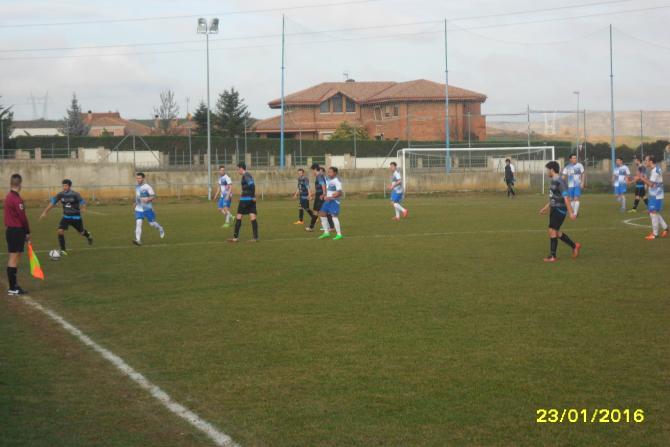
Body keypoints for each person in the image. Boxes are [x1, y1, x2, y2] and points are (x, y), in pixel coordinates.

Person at [539, 161, 580, 263]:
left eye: (547, 170)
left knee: (552, 231)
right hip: (554, 208)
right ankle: (574, 246)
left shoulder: (560, 181)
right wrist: (546, 207)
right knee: (556, 232)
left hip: (559, 209)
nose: (547, 172)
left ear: (552, 170)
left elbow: (566, 197)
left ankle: (553, 256)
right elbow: (554, 197)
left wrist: (571, 212)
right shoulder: (553, 180)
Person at [39, 179, 93, 255]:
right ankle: (63, 250)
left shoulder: (75, 194)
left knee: (81, 232)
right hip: (66, 217)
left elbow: (82, 202)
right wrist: (45, 212)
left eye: (66, 185)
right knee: (60, 231)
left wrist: (83, 208)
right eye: (63, 185)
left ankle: (88, 235)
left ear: (69, 186)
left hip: (76, 217)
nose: (64, 187)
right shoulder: (60, 194)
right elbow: (52, 203)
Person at [4, 174, 30, 295]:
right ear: (20, 184)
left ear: (11, 183)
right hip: (17, 230)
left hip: (10, 230)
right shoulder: (17, 199)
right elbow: (22, 217)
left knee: (14, 257)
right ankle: (13, 287)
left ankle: (13, 286)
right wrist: (27, 231)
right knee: (14, 258)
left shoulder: (8, 197)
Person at [634, 155, 668, 240]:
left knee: (653, 213)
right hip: (655, 195)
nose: (645, 162)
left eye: (646, 160)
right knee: (654, 212)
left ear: (651, 161)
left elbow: (651, 184)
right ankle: (666, 228)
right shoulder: (655, 169)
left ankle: (655, 234)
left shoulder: (655, 171)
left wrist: (641, 178)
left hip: (656, 195)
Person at [228, 162, 259, 242]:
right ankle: (255, 238)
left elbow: (252, 185)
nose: (238, 171)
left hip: (245, 200)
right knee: (252, 216)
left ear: (241, 168)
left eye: (238, 169)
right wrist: (252, 197)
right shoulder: (247, 175)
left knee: (239, 216)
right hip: (249, 199)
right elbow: (250, 187)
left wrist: (251, 196)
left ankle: (235, 238)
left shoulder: (246, 175)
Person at [133, 173, 165, 246]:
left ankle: (160, 228)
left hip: (147, 208)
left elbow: (153, 196)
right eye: (137, 178)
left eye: (139, 178)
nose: (138, 180)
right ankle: (138, 240)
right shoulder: (137, 186)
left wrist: (148, 199)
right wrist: (135, 202)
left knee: (152, 224)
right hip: (139, 208)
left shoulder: (147, 187)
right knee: (138, 223)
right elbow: (138, 196)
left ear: (143, 178)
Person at [318, 167, 344, 241]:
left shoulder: (337, 181)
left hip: (334, 202)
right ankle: (326, 232)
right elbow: (328, 189)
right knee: (322, 214)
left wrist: (331, 197)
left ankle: (339, 234)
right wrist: (324, 194)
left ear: (335, 173)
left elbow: (340, 193)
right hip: (327, 200)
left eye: (330, 172)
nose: (329, 173)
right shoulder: (328, 179)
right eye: (328, 172)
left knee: (334, 216)